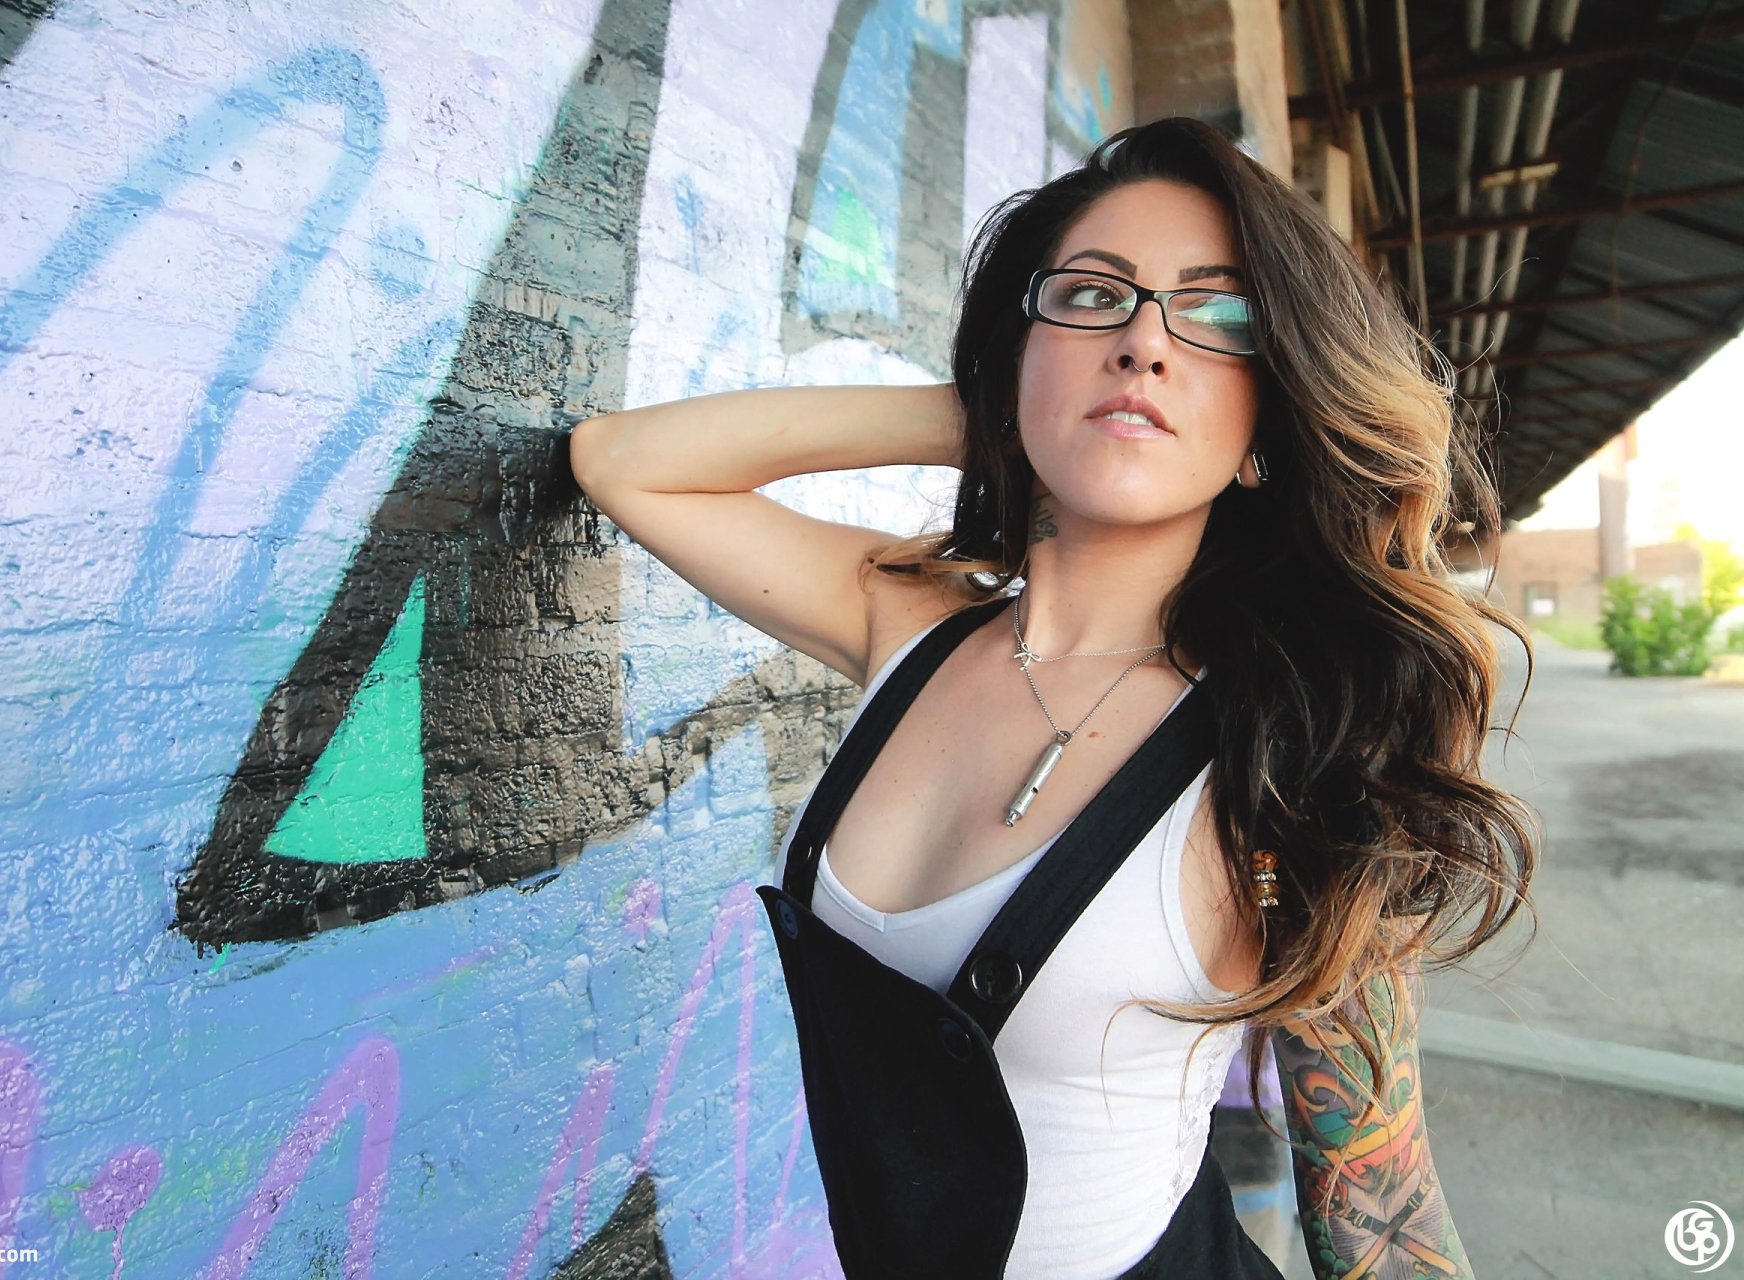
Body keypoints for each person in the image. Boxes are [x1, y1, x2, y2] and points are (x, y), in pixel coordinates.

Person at [569, 117, 1535, 1280]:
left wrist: (1050, 391)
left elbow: (1381, 1206)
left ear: (1265, 428)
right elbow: (623, 462)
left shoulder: (1296, 741)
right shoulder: (910, 623)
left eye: (1218, 316)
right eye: (1091, 296)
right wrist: (998, 411)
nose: (1144, 343)